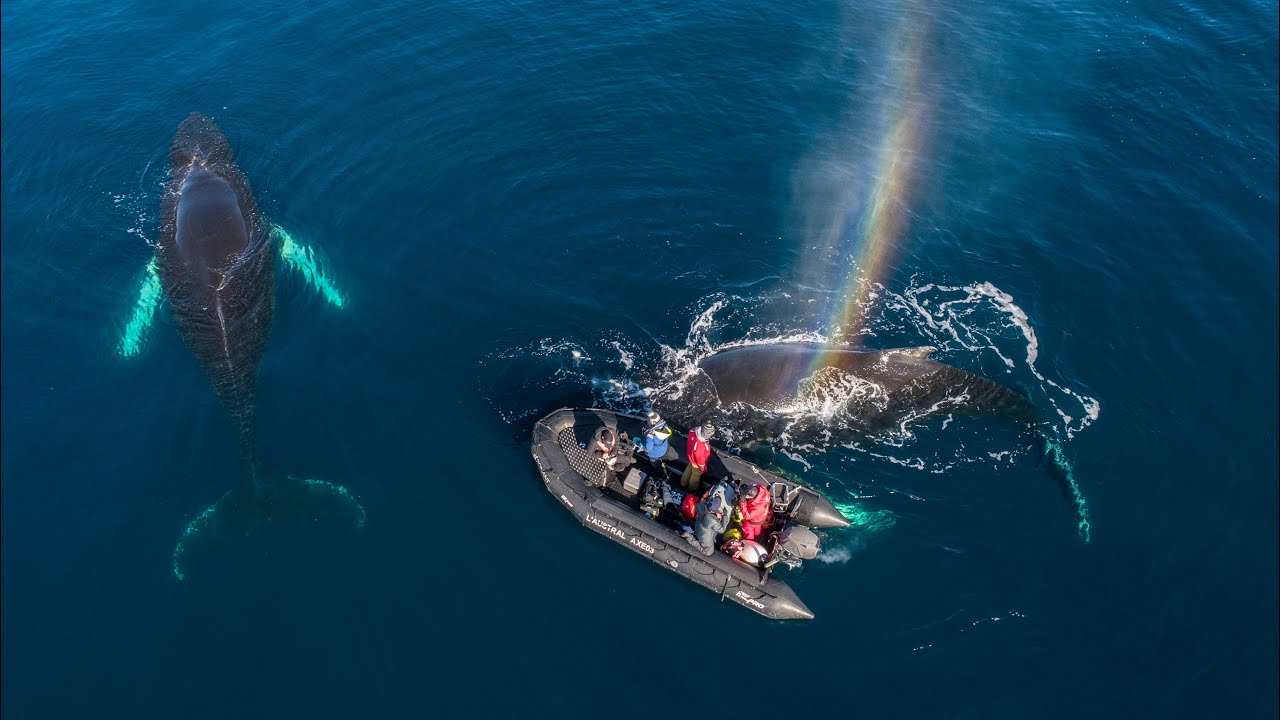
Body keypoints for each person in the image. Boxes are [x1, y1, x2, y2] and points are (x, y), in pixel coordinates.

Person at [683, 480, 737, 556]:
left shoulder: (700, 506)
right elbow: (722, 530)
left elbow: (702, 505)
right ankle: (689, 538)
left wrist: (715, 514)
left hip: (699, 527)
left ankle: (696, 535)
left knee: (712, 531)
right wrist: (725, 515)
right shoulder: (713, 521)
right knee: (708, 552)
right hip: (703, 536)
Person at [638, 411, 677, 478]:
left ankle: (658, 472)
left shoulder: (650, 435)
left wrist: (640, 445)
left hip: (654, 454)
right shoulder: (664, 426)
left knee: (655, 464)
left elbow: (648, 449)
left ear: (652, 422)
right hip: (663, 449)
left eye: (649, 420)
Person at [680, 421, 714, 494]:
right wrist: (703, 468)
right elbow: (700, 460)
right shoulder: (700, 446)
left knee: (688, 469)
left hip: (691, 458)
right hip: (696, 463)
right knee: (695, 476)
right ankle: (692, 489)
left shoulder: (693, 431)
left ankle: (683, 483)